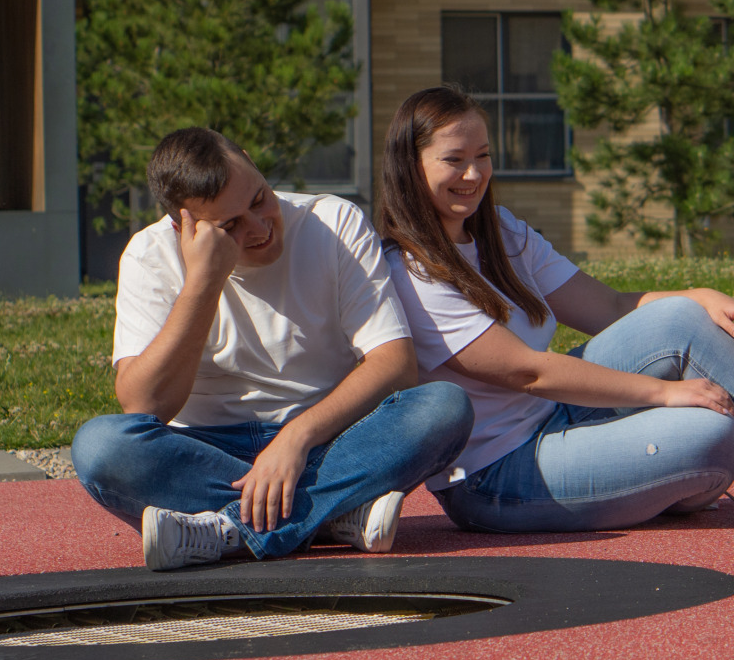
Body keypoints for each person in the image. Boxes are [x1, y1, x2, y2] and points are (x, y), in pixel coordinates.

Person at [377, 85, 734, 534]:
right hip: (497, 477)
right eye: (454, 160)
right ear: (411, 166)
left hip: (557, 418)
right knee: (711, 437)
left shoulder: (500, 232)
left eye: (483, 156)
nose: (474, 175)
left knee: (681, 326)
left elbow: (609, 307)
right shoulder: (412, 271)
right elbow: (531, 371)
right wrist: (666, 394)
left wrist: (693, 296)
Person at [71, 128, 474, 571]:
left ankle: (222, 530)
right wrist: (204, 283)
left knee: (443, 407)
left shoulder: (333, 221)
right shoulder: (149, 256)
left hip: (325, 443)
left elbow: (395, 365)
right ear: (182, 226)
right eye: (230, 226)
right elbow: (144, 405)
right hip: (201, 452)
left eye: (259, 198)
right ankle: (328, 515)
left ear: (250, 161)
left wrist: (296, 438)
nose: (260, 227)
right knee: (99, 446)